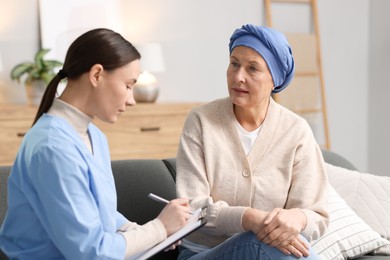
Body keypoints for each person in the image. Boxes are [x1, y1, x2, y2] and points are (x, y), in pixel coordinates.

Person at [0, 28, 191, 259]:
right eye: (128, 85)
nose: (131, 100)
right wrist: (159, 228)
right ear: (97, 75)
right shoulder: (52, 148)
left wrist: (148, 233)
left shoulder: (94, 136)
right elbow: (92, 252)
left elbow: (101, 215)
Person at [175, 24, 329, 259]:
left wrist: (297, 218)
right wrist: (249, 219)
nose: (238, 77)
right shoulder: (201, 122)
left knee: (276, 246)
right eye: (234, 64)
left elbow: (317, 214)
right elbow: (192, 209)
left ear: (275, 79)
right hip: (203, 253)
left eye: (253, 68)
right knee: (256, 241)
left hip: (270, 252)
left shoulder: (296, 131)